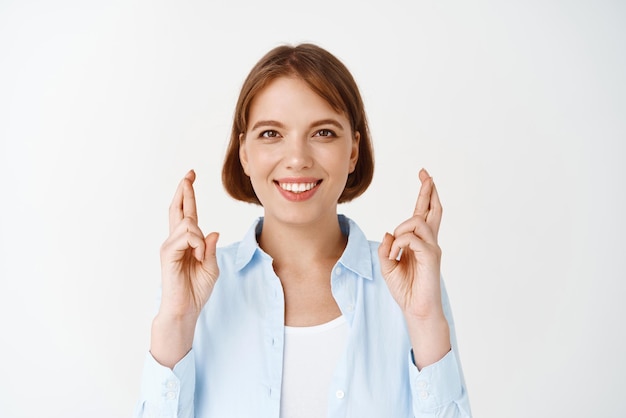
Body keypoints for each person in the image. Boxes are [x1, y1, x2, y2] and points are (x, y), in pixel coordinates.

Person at [134, 43, 472, 418]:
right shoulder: (195, 290)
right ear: (244, 152)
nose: (297, 158)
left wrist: (424, 320)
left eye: (323, 133)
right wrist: (176, 321)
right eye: (270, 134)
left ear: (353, 151)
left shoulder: (408, 287)